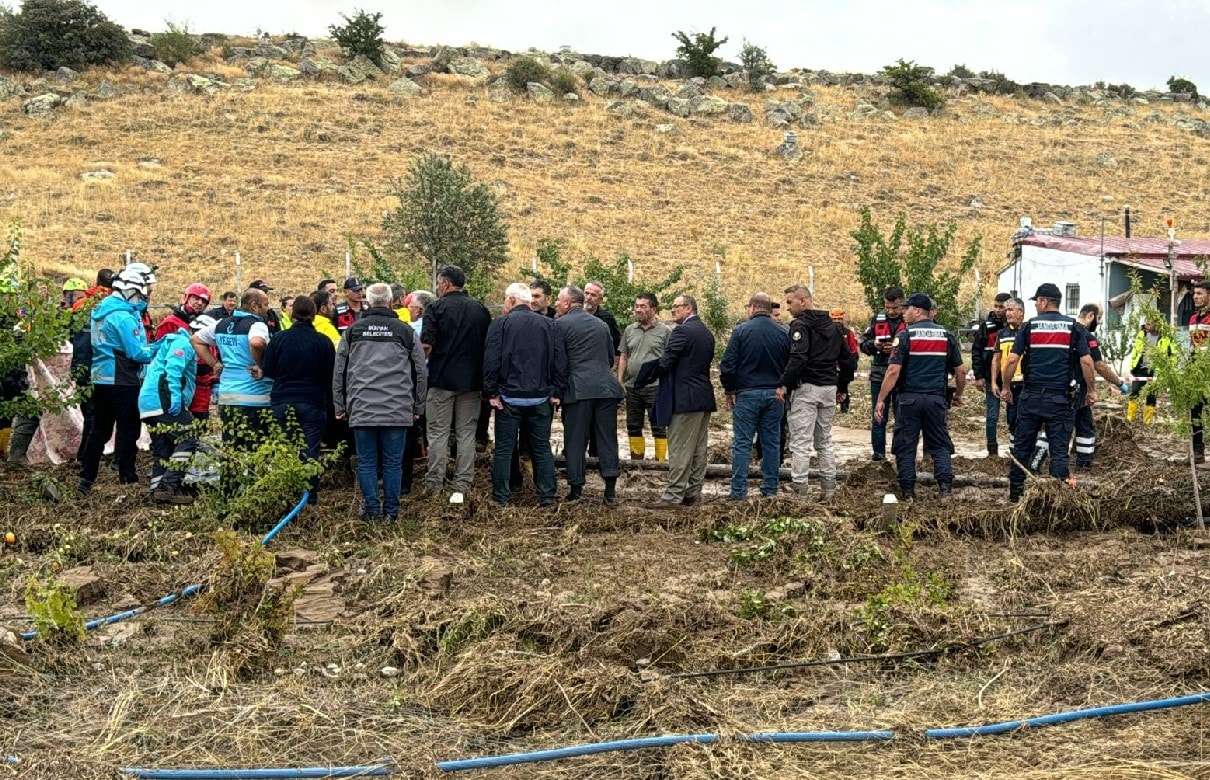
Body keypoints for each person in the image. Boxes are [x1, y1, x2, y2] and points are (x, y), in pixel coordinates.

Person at [333, 283, 426, 522]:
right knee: (393, 464)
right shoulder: (405, 331)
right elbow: (420, 370)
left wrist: (339, 405)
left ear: (368, 302)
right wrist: (418, 406)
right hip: (397, 407)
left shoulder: (353, 331)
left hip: (362, 407)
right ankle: (392, 513)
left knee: (366, 463)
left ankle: (372, 510)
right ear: (391, 300)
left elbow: (339, 370)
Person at [999, 283, 1095, 503]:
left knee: (1022, 449)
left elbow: (1012, 359)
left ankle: (1015, 497)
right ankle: (1057, 501)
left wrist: (1006, 387)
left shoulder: (1029, 327)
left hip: (1031, 397)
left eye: (1036, 302)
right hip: (1061, 400)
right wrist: (1091, 390)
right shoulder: (1074, 328)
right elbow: (1087, 362)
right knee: (1059, 452)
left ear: (1043, 302)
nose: (1036, 306)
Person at [77, 263, 161, 493]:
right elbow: (138, 353)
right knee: (128, 430)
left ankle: (86, 478)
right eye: (141, 293)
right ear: (130, 291)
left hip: (100, 378)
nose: (143, 298)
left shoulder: (101, 311)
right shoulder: (123, 317)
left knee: (99, 430)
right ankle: (127, 477)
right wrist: (161, 346)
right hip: (124, 379)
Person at [874, 293, 965, 499]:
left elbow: (893, 371)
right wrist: (958, 394)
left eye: (906, 309)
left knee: (906, 445)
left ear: (917, 311)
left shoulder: (905, 336)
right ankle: (945, 488)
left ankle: (908, 491)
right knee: (940, 444)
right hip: (936, 399)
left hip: (909, 400)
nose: (903, 313)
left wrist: (881, 399)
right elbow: (960, 371)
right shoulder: (947, 336)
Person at [482, 283, 564, 507]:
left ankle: (501, 496)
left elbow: (491, 360)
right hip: (541, 397)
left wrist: (491, 392)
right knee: (541, 448)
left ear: (510, 301)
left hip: (508, 398)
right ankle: (547, 496)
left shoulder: (501, 324)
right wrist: (557, 391)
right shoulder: (549, 324)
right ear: (529, 302)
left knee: (504, 449)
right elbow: (559, 360)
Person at [776, 285, 855, 501]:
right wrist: (842, 386)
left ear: (803, 301)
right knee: (824, 441)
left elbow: (798, 358)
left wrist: (784, 384)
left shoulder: (800, 326)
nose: (787, 307)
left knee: (800, 443)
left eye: (790, 302)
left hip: (807, 388)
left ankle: (800, 490)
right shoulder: (835, 326)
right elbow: (848, 359)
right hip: (829, 388)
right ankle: (829, 489)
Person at [422, 265, 492, 498]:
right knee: (466, 434)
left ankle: (435, 484)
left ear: (445, 283)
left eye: (439, 282)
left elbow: (426, 346)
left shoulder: (435, 308)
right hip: (472, 382)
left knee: (438, 433)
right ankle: (462, 484)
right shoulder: (480, 310)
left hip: (441, 380)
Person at [640, 295, 715, 507]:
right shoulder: (706, 332)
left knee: (680, 447)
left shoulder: (682, 331)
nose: (672, 311)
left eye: (676, 307)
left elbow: (666, 362)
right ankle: (693, 492)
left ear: (688, 308)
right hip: (702, 397)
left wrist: (647, 372)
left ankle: (672, 495)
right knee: (698, 448)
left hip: (684, 398)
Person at [553, 285, 624, 504]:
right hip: (606, 388)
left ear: (567, 303)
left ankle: (576, 489)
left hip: (578, 389)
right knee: (607, 438)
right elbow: (611, 358)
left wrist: (557, 391)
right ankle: (610, 491)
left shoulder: (560, 325)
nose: (556, 304)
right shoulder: (601, 325)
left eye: (558, 300)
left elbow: (559, 363)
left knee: (575, 439)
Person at [262, 295, 335, 506]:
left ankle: (286, 494)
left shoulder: (279, 339)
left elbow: (269, 370)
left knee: (284, 448)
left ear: (292, 314)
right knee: (310, 449)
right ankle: (309, 496)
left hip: (282, 401)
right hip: (313, 402)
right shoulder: (323, 341)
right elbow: (330, 375)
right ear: (314, 314)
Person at [191, 288, 274, 465]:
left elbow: (196, 340)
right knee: (258, 451)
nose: (268, 308)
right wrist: (261, 364)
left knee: (231, 451)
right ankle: (257, 490)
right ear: (254, 306)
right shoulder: (257, 324)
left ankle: (229, 490)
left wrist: (214, 363)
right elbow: (257, 342)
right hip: (255, 397)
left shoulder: (222, 324)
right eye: (265, 304)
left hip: (228, 396)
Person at [721, 293, 789, 500]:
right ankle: (770, 489)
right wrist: (784, 387)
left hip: (747, 394)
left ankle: (738, 491)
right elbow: (791, 364)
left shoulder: (741, 331)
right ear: (769, 309)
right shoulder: (783, 332)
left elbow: (728, 364)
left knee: (742, 443)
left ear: (752, 308)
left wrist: (729, 389)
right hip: (775, 394)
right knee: (771, 443)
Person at [138, 315, 209, 504]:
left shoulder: (177, 340)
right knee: (189, 436)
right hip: (163, 399)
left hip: (150, 402)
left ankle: (157, 491)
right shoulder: (184, 343)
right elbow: (173, 369)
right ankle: (168, 485)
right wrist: (176, 398)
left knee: (164, 446)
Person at [1069, 303, 1129, 469]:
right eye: (1099, 318)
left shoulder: (1066, 330)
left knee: (1076, 424)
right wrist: (1119, 383)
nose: (1100, 322)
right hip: (1078, 388)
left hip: (1060, 385)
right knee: (1075, 427)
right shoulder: (1087, 337)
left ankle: (1081, 463)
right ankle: (1082, 464)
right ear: (1090, 316)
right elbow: (1099, 366)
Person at [617, 293, 671, 461]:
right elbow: (624, 356)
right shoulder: (629, 330)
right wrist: (620, 379)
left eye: (643, 306)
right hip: (632, 386)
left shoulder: (665, 331)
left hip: (655, 386)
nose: (638, 309)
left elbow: (670, 358)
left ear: (653, 309)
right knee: (633, 425)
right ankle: (637, 461)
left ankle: (660, 462)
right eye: (637, 306)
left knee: (659, 425)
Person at [70, 269, 115, 461]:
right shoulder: (112, 305)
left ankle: (86, 454)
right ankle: (87, 456)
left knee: (90, 412)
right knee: (98, 414)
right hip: (101, 366)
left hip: (81, 365)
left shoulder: (80, 305)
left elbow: (71, 335)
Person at [156, 283, 215, 420]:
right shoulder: (170, 323)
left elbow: (212, 351)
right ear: (187, 298)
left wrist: (214, 377)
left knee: (200, 421)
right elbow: (160, 353)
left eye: (204, 301)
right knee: (176, 422)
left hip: (201, 382)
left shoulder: (206, 324)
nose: (199, 303)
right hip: (178, 379)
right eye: (196, 299)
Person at [860, 287, 906, 460]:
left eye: (895, 308)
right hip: (879, 375)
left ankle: (901, 456)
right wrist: (875, 345)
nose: (891, 311)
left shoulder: (910, 320)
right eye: (887, 307)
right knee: (878, 418)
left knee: (902, 420)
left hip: (902, 377)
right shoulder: (877, 319)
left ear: (902, 303)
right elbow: (863, 345)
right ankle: (879, 456)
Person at [971, 292, 1010, 456]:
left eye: (1002, 307)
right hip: (990, 378)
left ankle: (1017, 449)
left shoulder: (1017, 327)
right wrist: (979, 376)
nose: (998, 310)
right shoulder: (986, 327)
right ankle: (992, 451)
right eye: (996, 306)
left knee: (1015, 416)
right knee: (992, 416)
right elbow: (976, 352)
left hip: (1013, 379)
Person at [990, 297, 1025, 449]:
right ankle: (1014, 453)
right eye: (1007, 310)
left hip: (1026, 383)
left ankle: (1026, 454)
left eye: (1011, 310)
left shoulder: (1027, 331)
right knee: (1012, 419)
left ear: (1021, 312)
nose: (1007, 313)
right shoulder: (1002, 334)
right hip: (1009, 385)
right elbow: (996, 359)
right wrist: (993, 382)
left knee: (1027, 420)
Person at [1127, 317, 1173, 424]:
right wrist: (1133, 366)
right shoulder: (1142, 334)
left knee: (1151, 395)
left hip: (1156, 370)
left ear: (1156, 324)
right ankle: (1130, 419)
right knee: (1135, 391)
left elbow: (1172, 354)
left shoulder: (1166, 337)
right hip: (1141, 368)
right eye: (1146, 323)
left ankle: (1147, 421)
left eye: (1149, 324)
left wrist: (1168, 369)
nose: (1146, 326)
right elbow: (1136, 351)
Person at [1188, 280, 1210, 463]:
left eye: (1200, 293)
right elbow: (1192, 346)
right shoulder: (1194, 319)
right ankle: (1198, 451)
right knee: (1195, 411)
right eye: (1194, 293)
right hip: (1195, 371)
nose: (1195, 296)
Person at [584, 280, 622, 361]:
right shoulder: (572, 315)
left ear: (600, 299)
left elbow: (617, 343)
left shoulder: (607, 318)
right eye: (586, 293)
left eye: (593, 295)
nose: (588, 297)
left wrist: (614, 364)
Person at [830, 308, 859, 413]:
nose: (837, 321)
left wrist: (852, 364)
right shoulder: (828, 332)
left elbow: (854, 350)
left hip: (844, 365)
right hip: (831, 364)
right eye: (834, 319)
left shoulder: (848, 333)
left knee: (844, 386)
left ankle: (844, 408)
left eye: (839, 319)